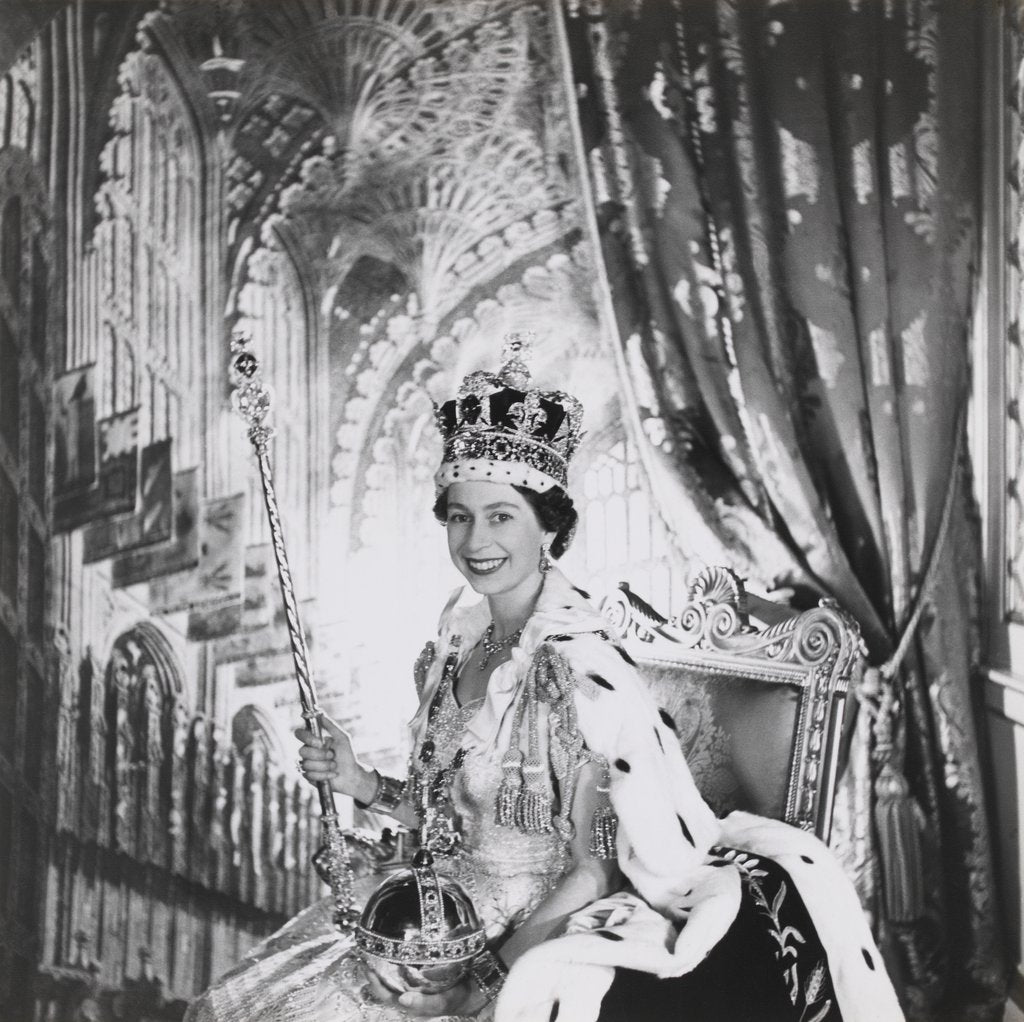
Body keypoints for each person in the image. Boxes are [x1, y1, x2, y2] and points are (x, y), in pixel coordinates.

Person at [185, 337, 903, 1022]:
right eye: (460, 517)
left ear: (548, 528)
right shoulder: (453, 649)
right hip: (437, 915)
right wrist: (361, 782)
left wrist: (485, 983)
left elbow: (592, 869)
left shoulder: (574, 673)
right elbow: (447, 818)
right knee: (242, 1002)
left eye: (502, 516)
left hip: (529, 927)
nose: (476, 542)